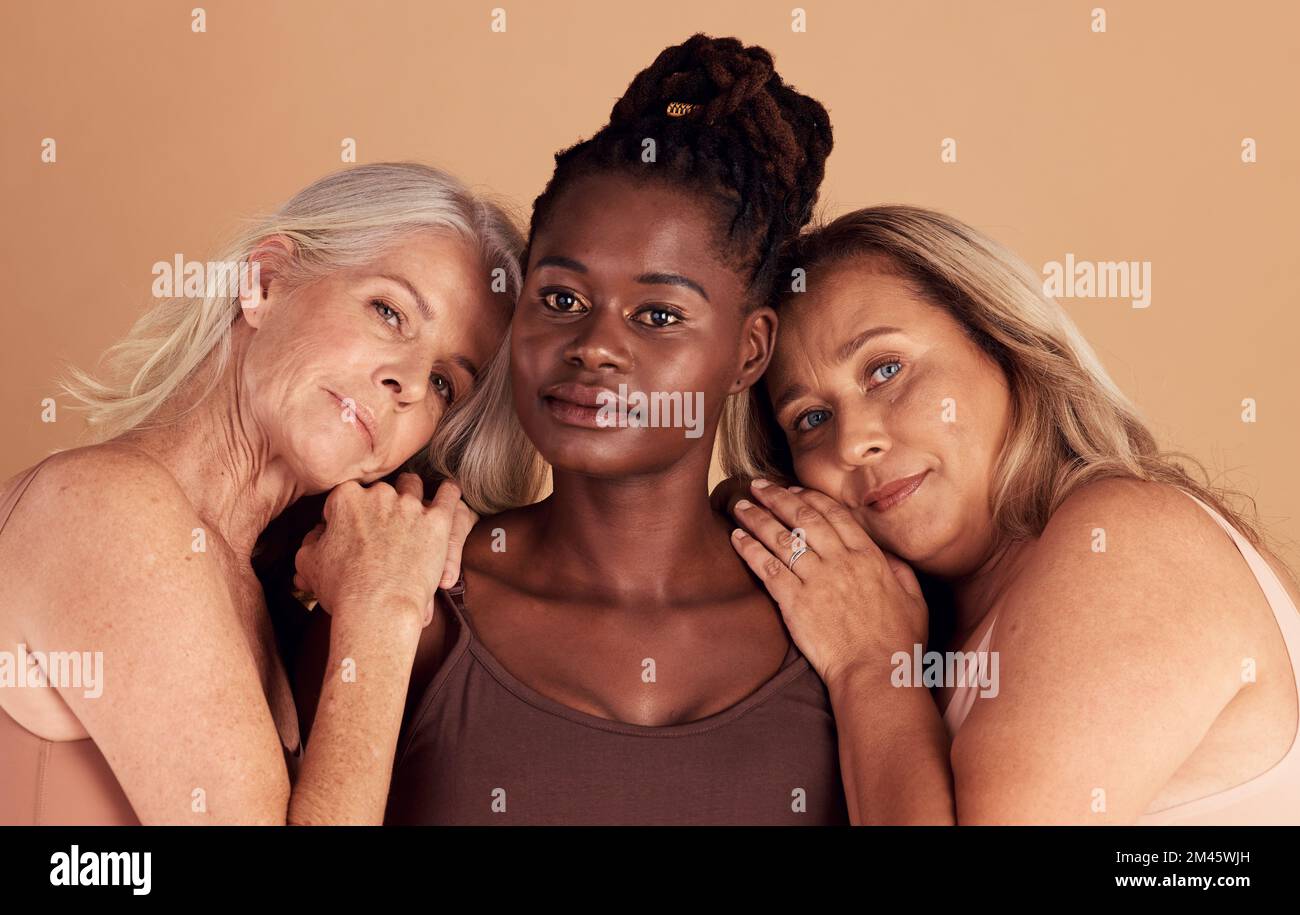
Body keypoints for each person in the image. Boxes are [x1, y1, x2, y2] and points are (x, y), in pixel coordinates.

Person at [382, 34, 847, 825]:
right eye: (560, 299)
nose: (594, 344)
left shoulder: (845, 620)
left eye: (658, 314)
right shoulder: (409, 604)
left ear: (749, 350)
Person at [724, 205, 1300, 824]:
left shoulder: (1130, 536)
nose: (852, 442)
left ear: (1004, 344)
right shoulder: (923, 639)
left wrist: (870, 666)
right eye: (811, 419)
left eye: (885, 369)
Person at [0, 162, 524, 825]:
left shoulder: (256, 590)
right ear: (265, 281)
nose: (411, 383)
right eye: (389, 311)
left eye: (447, 382)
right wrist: (383, 604)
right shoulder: (104, 506)